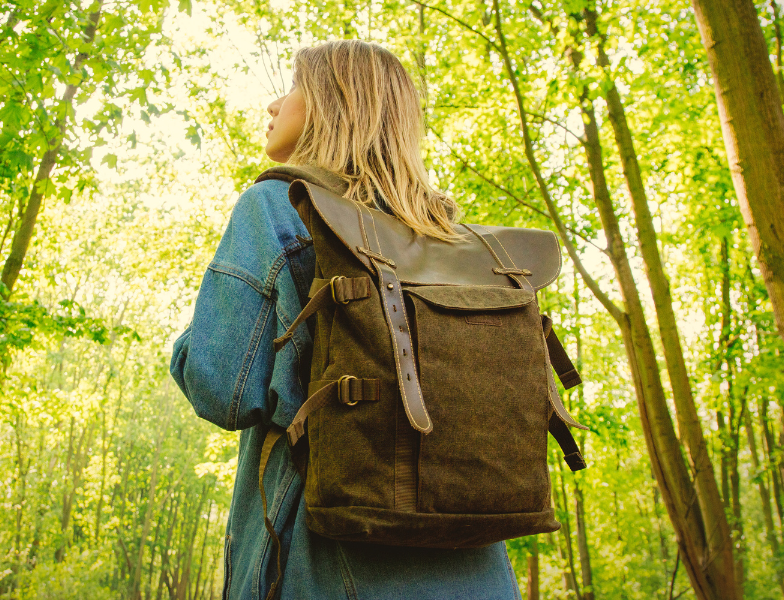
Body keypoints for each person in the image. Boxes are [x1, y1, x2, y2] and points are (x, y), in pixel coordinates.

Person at [170, 40, 524, 600]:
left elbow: (222, 390)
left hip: (331, 566)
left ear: (331, 104)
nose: (273, 104)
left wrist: (192, 338)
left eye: (292, 86)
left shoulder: (278, 206)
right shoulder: (451, 239)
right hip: (477, 569)